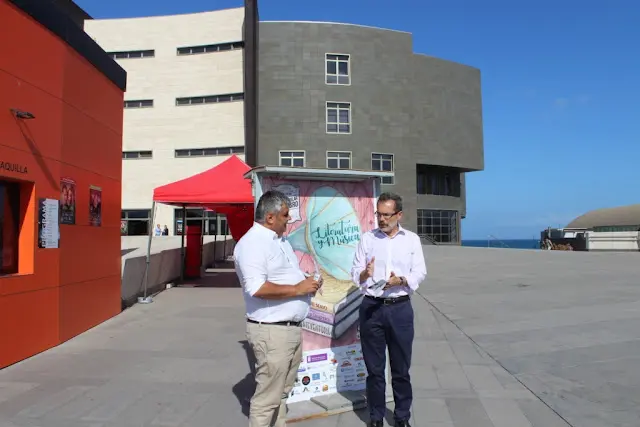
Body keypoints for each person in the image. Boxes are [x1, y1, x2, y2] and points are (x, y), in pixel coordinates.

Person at [234, 190, 321, 427]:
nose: (289, 219)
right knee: (267, 399)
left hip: (289, 330)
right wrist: (299, 288)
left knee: (282, 394)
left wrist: (307, 284)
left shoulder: (279, 241)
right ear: (270, 217)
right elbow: (256, 287)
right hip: (272, 332)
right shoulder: (252, 244)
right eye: (285, 215)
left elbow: (286, 278)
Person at [351, 192, 427, 427]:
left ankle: (402, 417)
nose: (381, 219)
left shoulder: (411, 240)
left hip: (399, 309)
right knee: (374, 370)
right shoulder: (367, 239)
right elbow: (355, 273)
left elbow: (420, 272)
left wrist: (401, 280)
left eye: (386, 215)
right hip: (372, 308)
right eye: (379, 214)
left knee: (401, 369)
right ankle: (376, 417)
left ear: (399, 214)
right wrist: (364, 274)